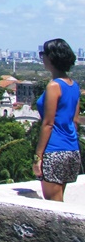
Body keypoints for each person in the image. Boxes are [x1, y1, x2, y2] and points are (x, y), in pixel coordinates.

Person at [34, 38, 82, 201]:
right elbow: (75, 121)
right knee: (59, 198)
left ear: (52, 58)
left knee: (54, 205)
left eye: (43, 54)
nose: (42, 58)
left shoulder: (54, 86)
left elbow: (48, 124)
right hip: (72, 150)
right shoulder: (74, 85)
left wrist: (38, 156)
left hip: (54, 150)